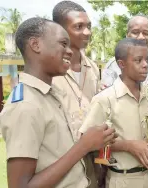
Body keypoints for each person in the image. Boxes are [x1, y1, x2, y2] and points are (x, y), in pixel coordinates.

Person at [0, 17, 116, 188]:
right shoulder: (25, 105)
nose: (69, 51)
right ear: (35, 45)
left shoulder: (51, 94)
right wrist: (83, 146)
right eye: (63, 44)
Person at [79, 38, 148, 188]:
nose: (145, 65)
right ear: (121, 64)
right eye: (138, 60)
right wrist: (127, 146)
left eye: (147, 60)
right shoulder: (104, 99)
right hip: (123, 178)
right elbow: (86, 142)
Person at [51, 1, 101, 187]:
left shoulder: (93, 68)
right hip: (65, 163)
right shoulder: (50, 69)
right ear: (60, 29)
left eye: (88, 26)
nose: (87, 32)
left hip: (95, 159)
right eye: (78, 27)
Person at [101, 15, 148, 90]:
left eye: (146, 33)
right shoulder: (114, 64)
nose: (141, 37)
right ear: (127, 35)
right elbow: (106, 96)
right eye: (135, 32)